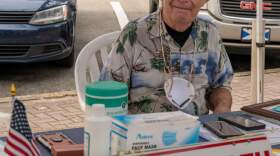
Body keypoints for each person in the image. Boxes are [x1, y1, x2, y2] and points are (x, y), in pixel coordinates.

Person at [100, 0, 233, 116]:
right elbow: (108, 91)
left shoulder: (210, 34)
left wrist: (222, 107)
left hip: (196, 132)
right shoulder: (134, 34)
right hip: (143, 137)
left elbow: (221, 86)